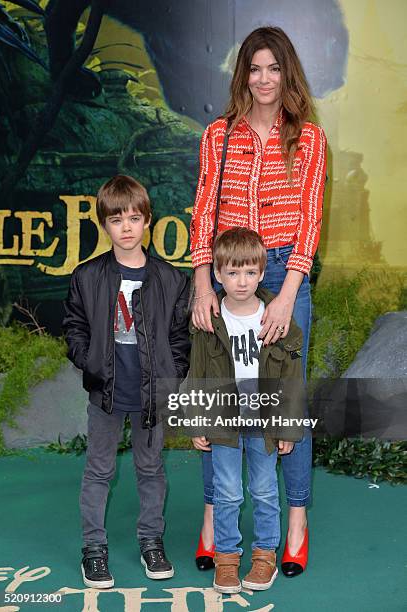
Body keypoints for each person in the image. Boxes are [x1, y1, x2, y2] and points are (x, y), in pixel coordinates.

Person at [190, 26, 327, 577]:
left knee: (282, 402)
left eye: (274, 68)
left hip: (285, 272)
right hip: (226, 274)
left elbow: (310, 219)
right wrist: (203, 285)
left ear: (287, 73)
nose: (264, 79)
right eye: (254, 68)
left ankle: (295, 524)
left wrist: (288, 294)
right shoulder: (219, 135)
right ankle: (210, 519)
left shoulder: (309, 138)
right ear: (242, 74)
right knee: (215, 393)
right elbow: (202, 209)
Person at [62, 174, 190, 588]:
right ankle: (93, 550)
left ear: (148, 220)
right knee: (98, 470)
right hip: (106, 392)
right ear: (104, 225)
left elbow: (179, 335)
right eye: (117, 220)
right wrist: (91, 363)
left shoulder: (171, 278)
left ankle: (151, 541)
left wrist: (173, 374)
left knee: (150, 469)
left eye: (135, 218)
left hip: (153, 394)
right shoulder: (87, 276)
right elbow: (75, 327)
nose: (127, 227)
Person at [188, 227, 304, 593]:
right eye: (233, 273)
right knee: (226, 491)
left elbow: (290, 380)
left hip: (264, 423)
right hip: (224, 422)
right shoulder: (209, 320)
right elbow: (197, 374)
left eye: (250, 272)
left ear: (262, 271)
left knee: (266, 490)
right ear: (218, 274)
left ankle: (265, 554)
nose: (242, 282)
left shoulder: (277, 319)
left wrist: (287, 428)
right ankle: (226, 558)